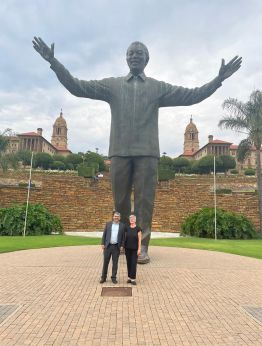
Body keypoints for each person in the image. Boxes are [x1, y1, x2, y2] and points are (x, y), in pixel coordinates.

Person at [32, 37, 242, 263]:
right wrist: (54, 62)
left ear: (147, 59)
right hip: (120, 152)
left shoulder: (158, 87)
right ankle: (123, 241)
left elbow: (192, 95)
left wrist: (218, 79)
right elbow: (77, 86)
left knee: (144, 202)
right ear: (125, 58)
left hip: (147, 153)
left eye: (139, 53)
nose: (134, 56)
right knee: (120, 202)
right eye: (130, 53)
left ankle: (142, 247)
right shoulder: (112, 85)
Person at [100, 211, 125, 284]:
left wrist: (122, 246)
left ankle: (113, 277)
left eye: (117, 216)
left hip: (116, 247)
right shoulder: (108, 224)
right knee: (105, 263)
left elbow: (123, 237)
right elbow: (104, 234)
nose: (116, 217)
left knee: (115, 263)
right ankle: (103, 278)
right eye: (115, 216)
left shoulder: (122, 226)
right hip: (108, 246)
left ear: (119, 218)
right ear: (113, 217)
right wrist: (102, 243)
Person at [124, 214, 142, 285]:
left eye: (133, 219)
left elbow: (140, 239)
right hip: (127, 249)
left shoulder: (138, 229)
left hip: (135, 249)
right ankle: (129, 277)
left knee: (133, 263)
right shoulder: (127, 228)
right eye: (130, 219)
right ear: (129, 220)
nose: (132, 220)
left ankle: (133, 279)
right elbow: (125, 238)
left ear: (135, 220)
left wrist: (139, 249)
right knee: (128, 263)